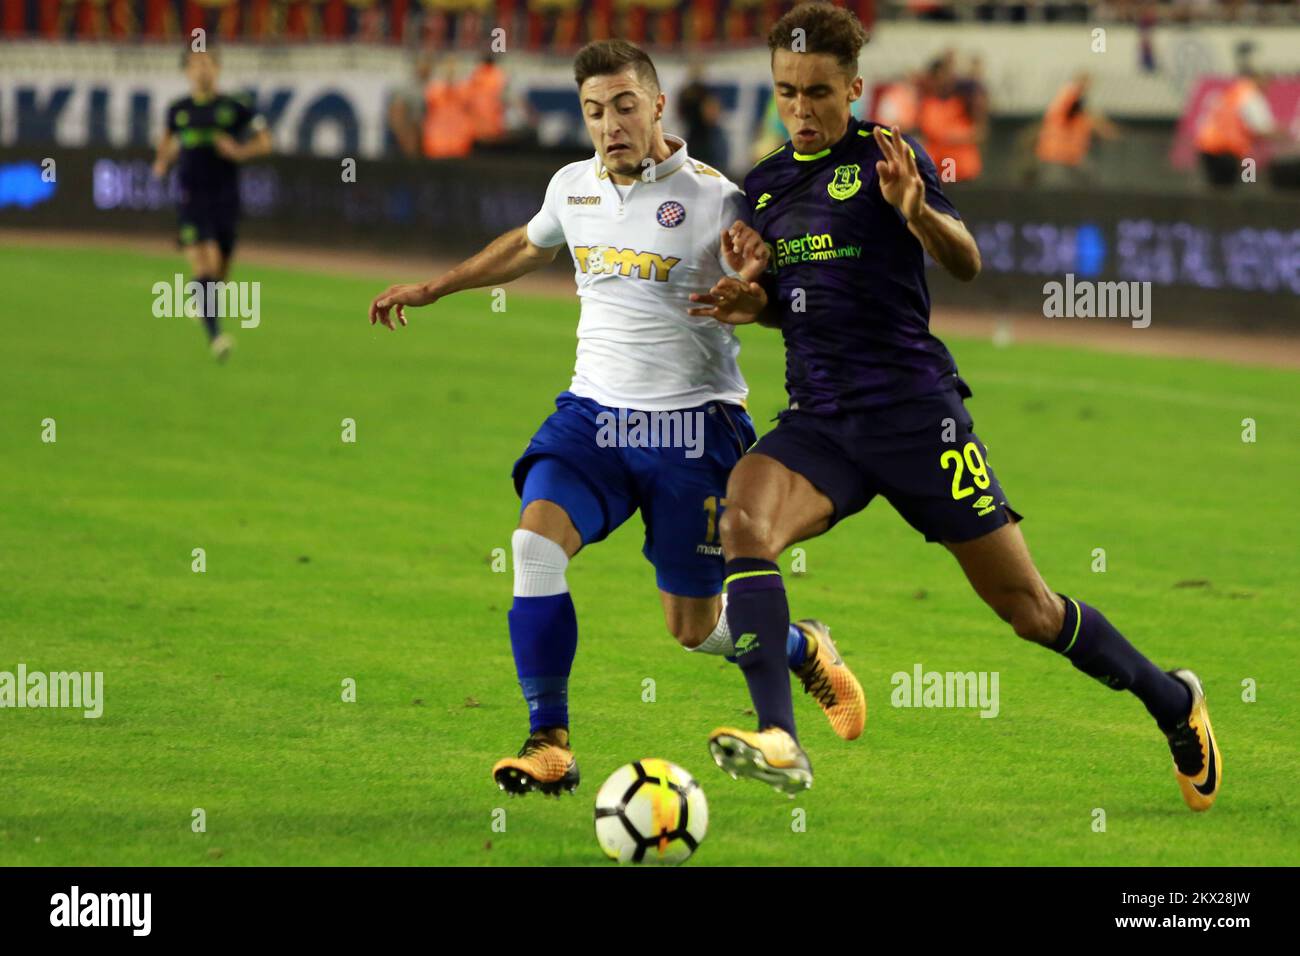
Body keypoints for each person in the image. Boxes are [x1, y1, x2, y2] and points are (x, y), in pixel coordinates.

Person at [687, 1, 1221, 813]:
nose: (801, 108)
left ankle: (1172, 700)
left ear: (854, 88)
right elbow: (786, 303)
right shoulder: (760, 189)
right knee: (741, 525)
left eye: (819, 92)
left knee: (1031, 612)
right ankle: (782, 738)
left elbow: (966, 262)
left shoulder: (891, 161)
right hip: (821, 422)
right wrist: (748, 301)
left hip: (916, 420)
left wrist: (916, 211)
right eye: (787, 91)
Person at [367, 39, 865, 798]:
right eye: (595, 111)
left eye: (625, 106)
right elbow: (526, 245)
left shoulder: (718, 198)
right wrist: (437, 287)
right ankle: (550, 743)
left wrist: (753, 298)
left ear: (658, 105)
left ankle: (800, 648)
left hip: (693, 429)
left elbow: (775, 300)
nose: (610, 124)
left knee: (694, 629)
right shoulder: (573, 187)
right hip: (592, 417)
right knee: (533, 545)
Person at [152, 47, 272, 361]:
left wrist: (239, 151)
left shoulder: (236, 106)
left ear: (217, 68)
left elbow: (264, 141)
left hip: (226, 197)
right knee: (204, 261)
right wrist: (163, 162)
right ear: (187, 71)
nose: (202, 70)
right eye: (195, 64)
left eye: (207, 63)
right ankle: (216, 337)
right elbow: (164, 146)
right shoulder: (178, 109)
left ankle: (203, 301)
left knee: (220, 269)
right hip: (191, 196)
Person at [1195, 65, 1279, 189]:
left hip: (1207, 145)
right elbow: (1260, 128)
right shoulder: (1252, 97)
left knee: (1216, 188)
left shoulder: (1235, 91)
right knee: (1231, 188)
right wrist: (1285, 137)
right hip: (1227, 150)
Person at [1034, 73, 1119, 186]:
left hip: (1073, 156)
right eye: (1085, 83)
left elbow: (1088, 118)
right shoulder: (1070, 96)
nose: (1088, 87)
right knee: (1056, 188)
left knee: (1089, 180)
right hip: (1056, 155)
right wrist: (1107, 130)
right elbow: (1091, 117)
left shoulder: (1074, 100)